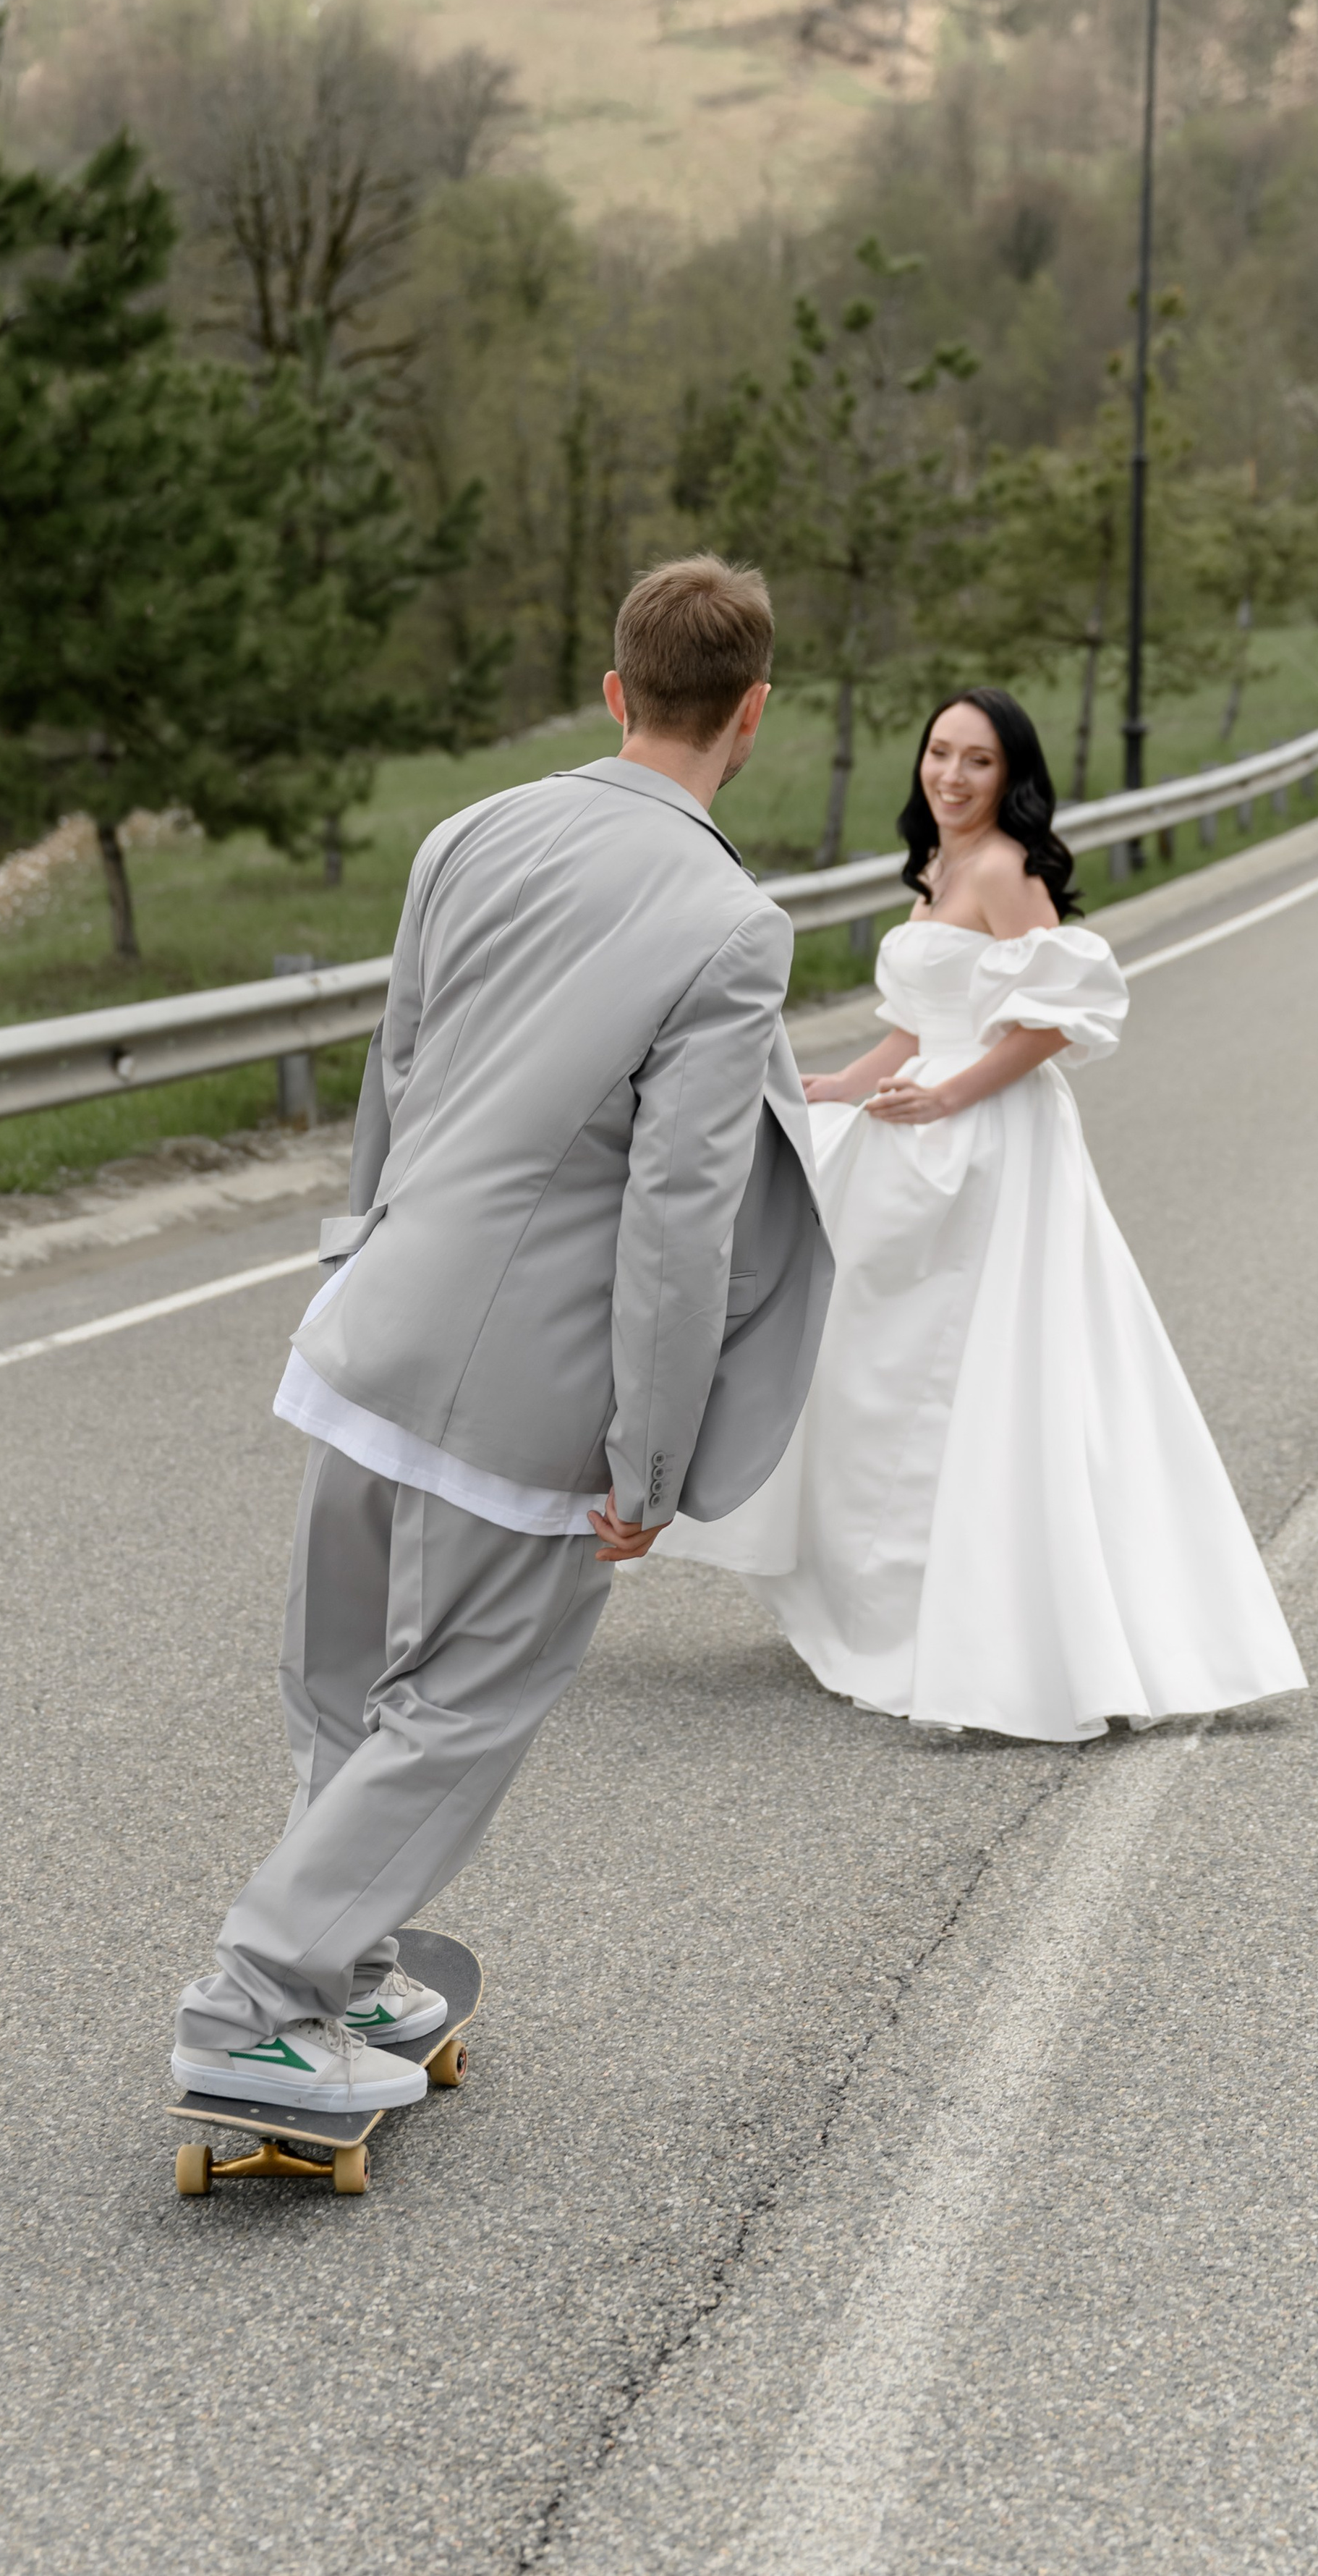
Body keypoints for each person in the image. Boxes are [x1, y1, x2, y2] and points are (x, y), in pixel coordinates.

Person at [172, 556, 832, 2111]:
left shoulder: (468, 831)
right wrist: (649, 1457)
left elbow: (393, 1080)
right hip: (520, 1387)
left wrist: (355, 1264)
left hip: (366, 1331)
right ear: (752, 716)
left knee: (343, 1687)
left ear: (614, 692)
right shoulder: (730, 924)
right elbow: (680, 1214)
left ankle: (339, 1963)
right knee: (459, 1708)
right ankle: (256, 1999)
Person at [657, 687, 1305, 1743]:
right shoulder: (936, 869)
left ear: (1012, 778)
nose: (952, 777)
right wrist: (836, 1084)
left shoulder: (1004, 870)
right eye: (940, 755)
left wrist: (953, 1095)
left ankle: (1005, 1627)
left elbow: (1055, 1018)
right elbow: (920, 1023)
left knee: (990, 1368)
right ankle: (890, 1591)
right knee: (879, 1359)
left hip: (992, 1144)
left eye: (978, 763)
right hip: (919, 1125)